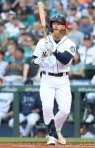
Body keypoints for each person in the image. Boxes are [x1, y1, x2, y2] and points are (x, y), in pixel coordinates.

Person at [32, 15, 76, 145]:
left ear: (64, 27)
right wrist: (37, 60)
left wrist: (54, 50)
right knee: (47, 106)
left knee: (65, 110)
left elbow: (65, 60)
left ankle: (55, 130)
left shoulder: (70, 43)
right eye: (54, 23)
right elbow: (33, 60)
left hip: (63, 80)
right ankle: (52, 137)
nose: (56, 25)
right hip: (46, 79)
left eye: (59, 23)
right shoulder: (42, 42)